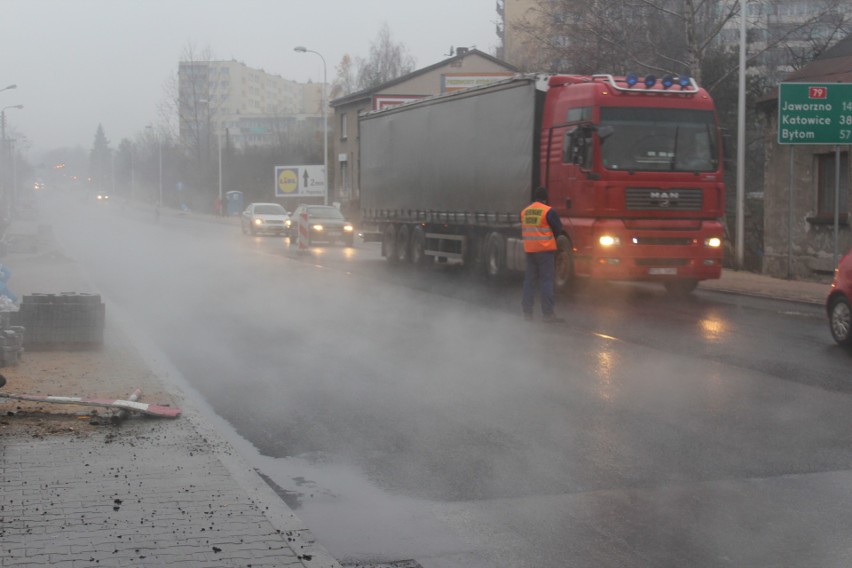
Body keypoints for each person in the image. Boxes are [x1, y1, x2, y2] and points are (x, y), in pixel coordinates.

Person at [521, 186, 563, 322]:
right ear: (545, 198)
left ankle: (527, 312)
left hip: (530, 250)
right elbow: (558, 229)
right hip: (545, 252)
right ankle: (548, 314)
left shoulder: (525, 212)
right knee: (546, 281)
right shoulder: (548, 211)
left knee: (529, 282)